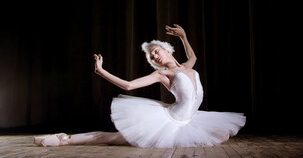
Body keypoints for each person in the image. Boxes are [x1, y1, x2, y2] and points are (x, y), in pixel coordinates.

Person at [34, 24, 246, 148]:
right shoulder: (164, 74)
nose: (154, 55)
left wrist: (183, 36)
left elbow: (193, 55)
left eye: (156, 50)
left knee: (223, 135)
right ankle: (65, 139)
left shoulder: (187, 68)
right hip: (168, 122)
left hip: (192, 120)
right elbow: (128, 86)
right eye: (151, 55)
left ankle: (64, 138)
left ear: (167, 50)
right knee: (111, 138)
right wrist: (101, 71)